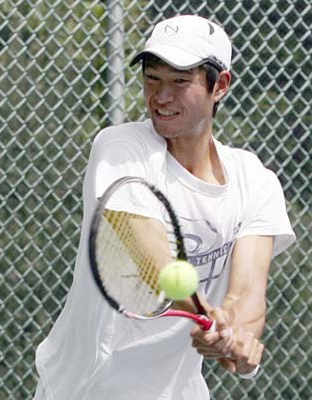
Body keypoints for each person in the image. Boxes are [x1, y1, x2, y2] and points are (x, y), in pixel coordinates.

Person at [33, 15, 295, 400]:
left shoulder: (255, 181)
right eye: (152, 78)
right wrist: (205, 311)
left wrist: (238, 340)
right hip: (86, 389)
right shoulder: (121, 149)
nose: (161, 96)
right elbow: (152, 258)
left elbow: (248, 295)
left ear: (220, 85)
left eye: (179, 81)